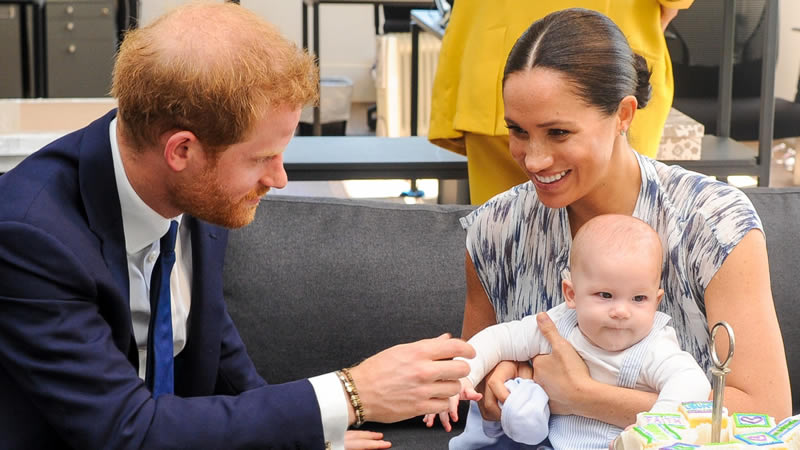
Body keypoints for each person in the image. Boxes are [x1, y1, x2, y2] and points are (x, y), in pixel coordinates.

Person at [0, 3, 475, 449]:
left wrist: (305, 434)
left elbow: (219, 355)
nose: (280, 178)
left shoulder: (197, 194)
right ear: (182, 151)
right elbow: (128, 432)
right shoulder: (30, 236)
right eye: (262, 158)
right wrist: (350, 394)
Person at [456, 6, 791, 437]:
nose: (534, 159)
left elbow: (767, 415)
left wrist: (582, 395)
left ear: (624, 115)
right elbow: (474, 381)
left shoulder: (713, 223)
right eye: (518, 131)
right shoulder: (495, 230)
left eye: (558, 133)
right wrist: (502, 382)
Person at [424, 215, 711, 448]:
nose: (622, 311)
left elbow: (691, 381)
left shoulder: (654, 347)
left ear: (657, 300)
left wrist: (656, 428)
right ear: (571, 294)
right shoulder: (559, 325)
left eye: (639, 299)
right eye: (605, 295)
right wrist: (463, 376)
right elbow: (498, 340)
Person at [428, 0, 694, 205]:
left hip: (493, 52)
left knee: (507, 245)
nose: (536, 161)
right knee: (616, 246)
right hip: (608, 57)